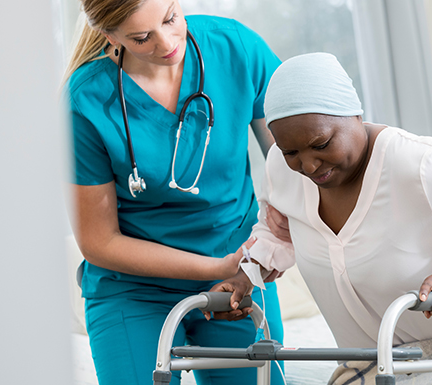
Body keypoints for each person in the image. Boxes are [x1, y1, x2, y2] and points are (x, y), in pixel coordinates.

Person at [212, 53, 432, 354]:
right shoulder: (281, 168)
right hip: (380, 364)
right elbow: (281, 230)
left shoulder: (420, 165)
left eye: (321, 144)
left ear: (354, 114)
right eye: (291, 152)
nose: (309, 165)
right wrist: (247, 275)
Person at [64, 0, 288, 383]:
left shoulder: (235, 49)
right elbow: (99, 242)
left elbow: (299, 163)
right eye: (141, 37)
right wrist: (218, 266)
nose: (167, 42)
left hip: (239, 278)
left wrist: (266, 253)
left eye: (170, 18)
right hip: (132, 288)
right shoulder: (85, 100)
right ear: (109, 36)